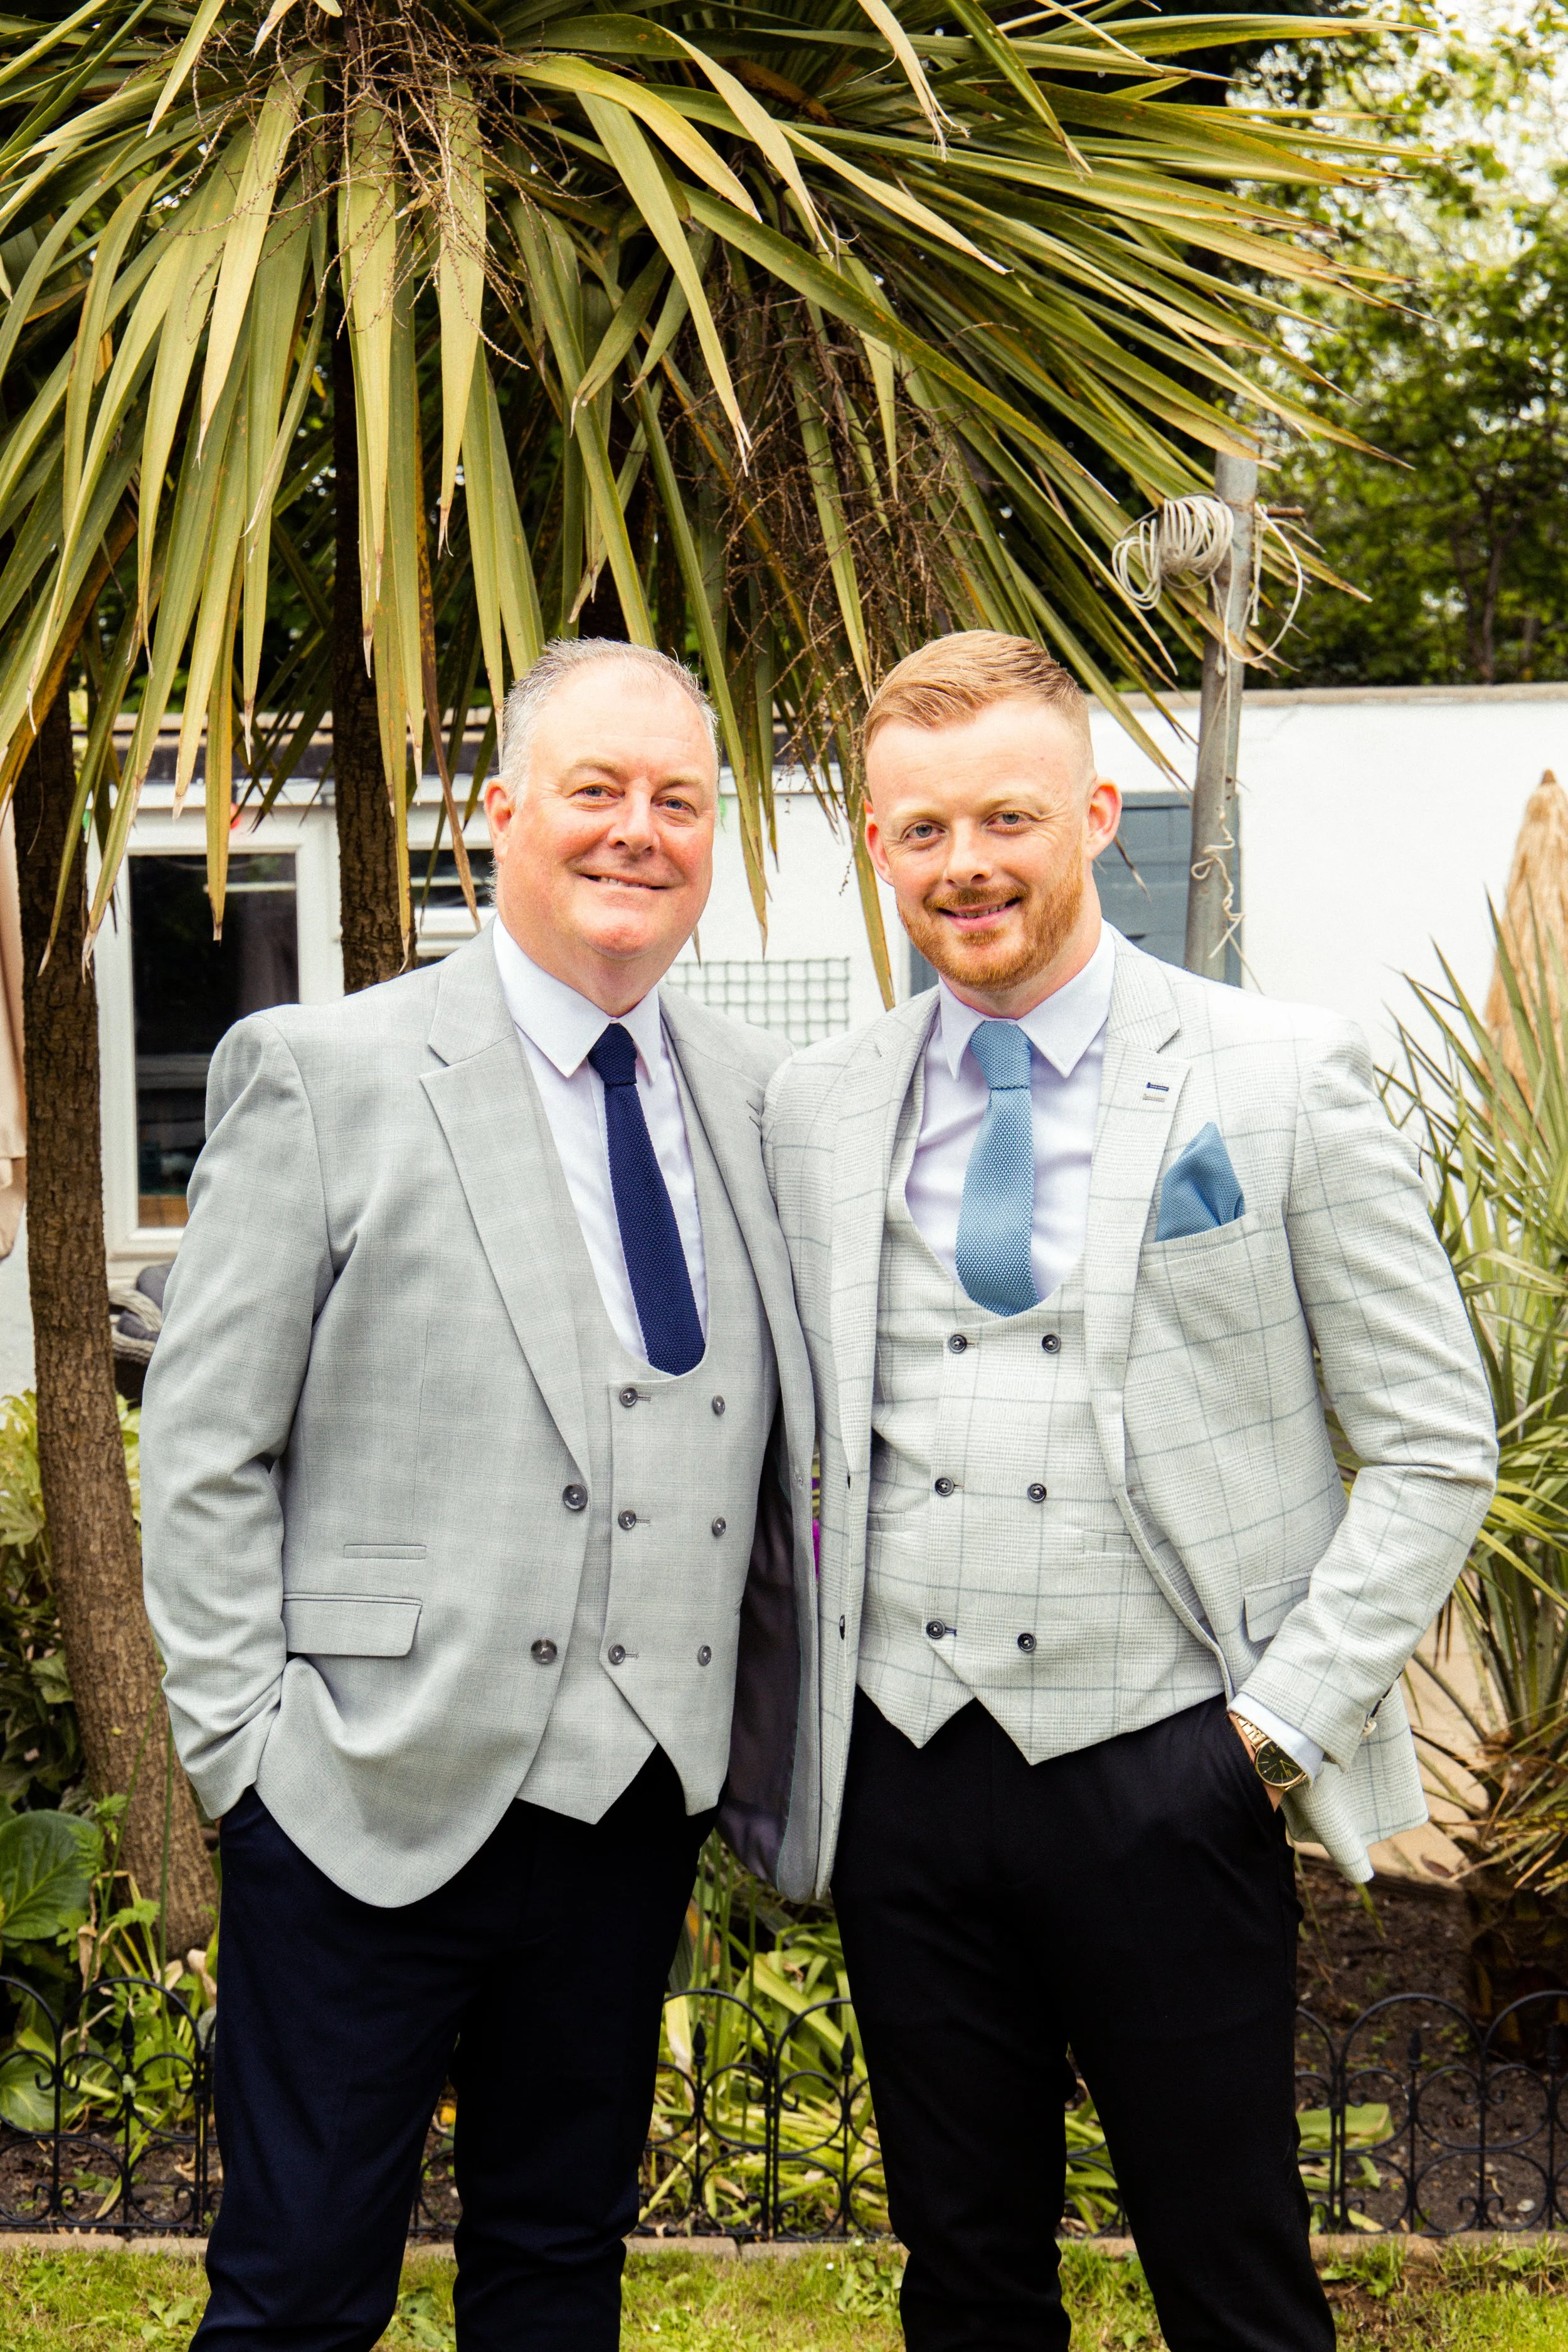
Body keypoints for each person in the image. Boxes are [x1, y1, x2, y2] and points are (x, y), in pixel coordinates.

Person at [763, 631, 1496, 2352]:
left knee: (1232, 2277)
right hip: (903, 1768)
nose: (966, 864)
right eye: (923, 829)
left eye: (1007, 816)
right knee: (965, 2273)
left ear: (1096, 813)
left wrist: (1266, 1736)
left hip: (1169, 1764)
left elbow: (1430, 1440)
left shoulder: (1278, 1072)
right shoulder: (814, 1104)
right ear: (877, 845)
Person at [140, 639, 818, 2352]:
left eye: (677, 800)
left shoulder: (761, 1100)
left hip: (630, 1801)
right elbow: (208, 1446)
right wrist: (245, 1757)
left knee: (557, 2271)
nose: (636, 829)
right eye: (595, 789)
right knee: (296, 2293)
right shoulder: (328, 1072)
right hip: (359, 1789)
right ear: (500, 813)